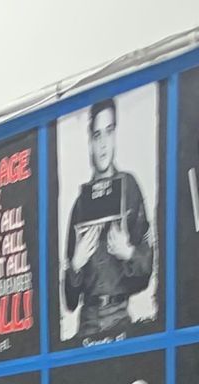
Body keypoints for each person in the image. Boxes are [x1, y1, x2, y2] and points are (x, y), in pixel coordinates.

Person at [60, 98, 155, 342]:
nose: (103, 144)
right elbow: (70, 301)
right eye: (97, 135)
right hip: (88, 324)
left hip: (120, 318)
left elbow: (147, 272)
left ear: (115, 136)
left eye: (109, 132)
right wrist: (76, 265)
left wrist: (129, 252)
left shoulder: (130, 189)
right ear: (90, 141)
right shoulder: (80, 205)